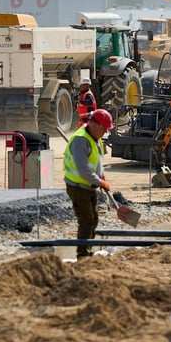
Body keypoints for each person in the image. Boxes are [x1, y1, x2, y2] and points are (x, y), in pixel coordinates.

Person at [63, 108, 114, 259]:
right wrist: (100, 182)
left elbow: (97, 161)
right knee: (86, 220)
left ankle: (88, 250)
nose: (105, 132)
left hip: (89, 185)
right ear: (95, 124)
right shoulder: (80, 141)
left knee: (94, 219)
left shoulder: (95, 138)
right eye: (104, 128)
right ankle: (82, 255)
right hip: (77, 186)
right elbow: (83, 171)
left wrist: (102, 176)